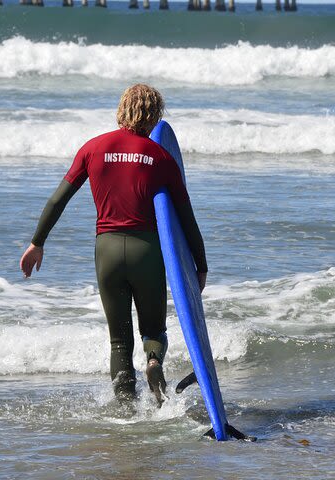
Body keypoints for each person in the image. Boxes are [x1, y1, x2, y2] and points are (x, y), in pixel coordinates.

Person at [20, 84, 208, 404]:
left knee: (119, 341)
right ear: (154, 115)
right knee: (152, 331)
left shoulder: (93, 148)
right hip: (146, 250)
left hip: (106, 250)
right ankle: (153, 363)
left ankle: (125, 410)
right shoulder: (160, 157)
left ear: (122, 108)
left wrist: (37, 242)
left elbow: (57, 200)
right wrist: (199, 266)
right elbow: (187, 218)